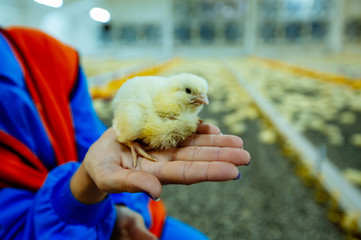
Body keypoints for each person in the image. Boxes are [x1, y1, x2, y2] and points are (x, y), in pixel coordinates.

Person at [0, 26, 251, 240]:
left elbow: (94, 140)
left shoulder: (48, 54)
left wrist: (121, 205)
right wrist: (84, 186)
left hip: (114, 210)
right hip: (52, 224)